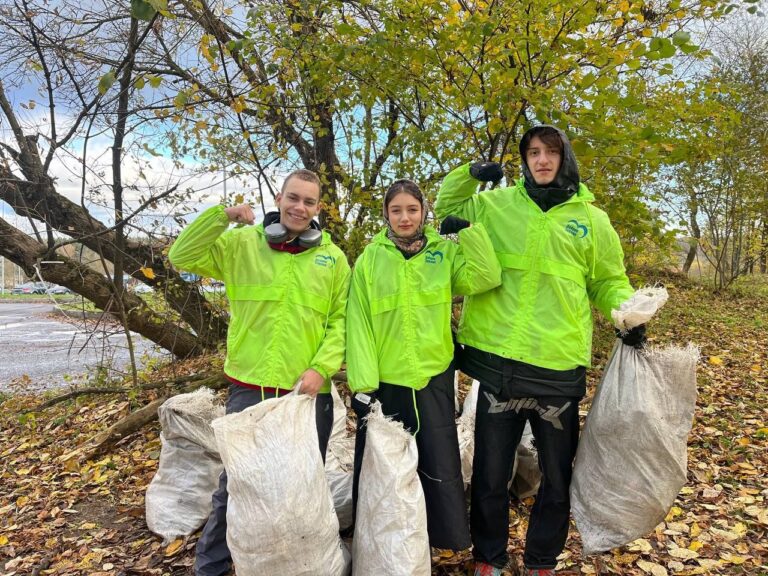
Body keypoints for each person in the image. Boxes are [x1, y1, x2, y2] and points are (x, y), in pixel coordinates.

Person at [434, 125, 645, 576]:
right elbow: (446, 207)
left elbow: (607, 279)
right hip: (498, 362)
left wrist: (626, 314)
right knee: (491, 475)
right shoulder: (495, 205)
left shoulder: (592, 220)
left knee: (555, 476)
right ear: (524, 160)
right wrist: (469, 174)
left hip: (557, 364)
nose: (542, 160)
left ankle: (540, 561)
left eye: (550, 152)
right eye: (533, 152)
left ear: (564, 157)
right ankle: (488, 557)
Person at [168, 169, 351, 576]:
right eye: (293, 198)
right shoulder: (242, 245)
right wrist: (222, 216)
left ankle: (289, 564)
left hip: (306, 395)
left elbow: (341, 322)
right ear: (278, 197)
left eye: (308, 201)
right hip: (250, 387)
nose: (299, 208)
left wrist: (322, 368)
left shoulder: (333, 259)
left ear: (319, 208)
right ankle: (211, 567)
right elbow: (181, 256)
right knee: (237, 485)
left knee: (301, 486)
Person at [346, 179, 501, 553]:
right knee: (386, 466)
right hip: (387, 380)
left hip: (433, 375)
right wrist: (363, 384)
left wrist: (469, 232)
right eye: (396, 210)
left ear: (423, 212)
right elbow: (359, 321)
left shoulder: (442, 255)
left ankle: (443, 538)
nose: (404, 217)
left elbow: (486, 276)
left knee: (438, 459)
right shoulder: (370, 259)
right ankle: (386, 543)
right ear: (385, 213)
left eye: (412, 210)